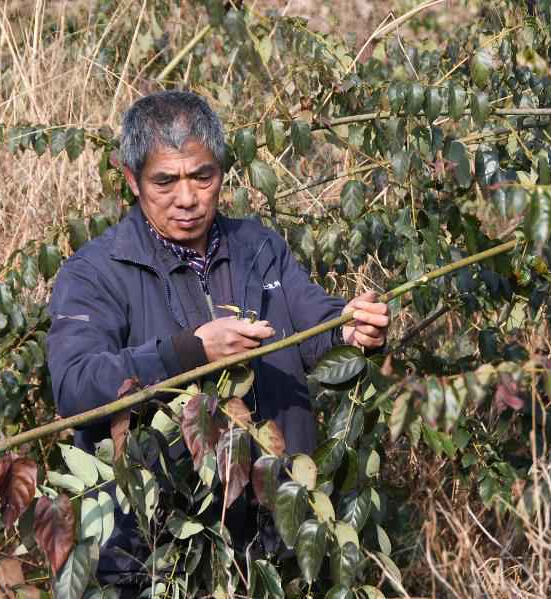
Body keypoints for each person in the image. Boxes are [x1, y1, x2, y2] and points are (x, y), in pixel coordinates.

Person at [44, 90, 390, 589]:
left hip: (274, 541)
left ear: (221, 172)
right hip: (159, 555)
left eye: (202, 177)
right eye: (165, 181)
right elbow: (75, 387)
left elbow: (314, 323)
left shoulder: (258, 247)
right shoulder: (96, 272)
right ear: (131, 180)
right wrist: (191, 353)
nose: (187, 198)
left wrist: (352, 328)